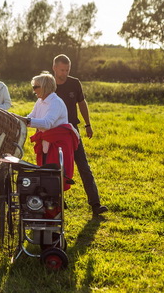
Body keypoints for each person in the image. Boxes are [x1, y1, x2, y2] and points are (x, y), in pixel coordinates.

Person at [52, 54, 108, 215]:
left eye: (67, 70)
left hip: (72, 131)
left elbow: (82, 103)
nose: (64, 73)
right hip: (55, 132)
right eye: (62, 70)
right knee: (55, 168)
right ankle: (57, 201)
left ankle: (95, 204)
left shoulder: (74, 83)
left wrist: (88, 124)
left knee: (83, 166)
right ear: (54, 68)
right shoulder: (48, 84)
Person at [15, 72, 80, 191]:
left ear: (45, 87)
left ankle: (55, 205)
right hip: (46, 142)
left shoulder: (56, 102)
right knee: (45, 174)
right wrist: (16, 119)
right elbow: (30, 117)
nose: (33, 90)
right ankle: (47, 203)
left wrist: (26, 121)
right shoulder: (40, 102)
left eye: (36, 87)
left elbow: (47, 123)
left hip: (58, 144)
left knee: (53, 177)